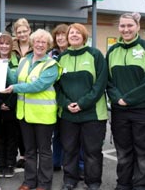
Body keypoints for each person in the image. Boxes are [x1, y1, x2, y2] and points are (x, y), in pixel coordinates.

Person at [106, 12, 145, 190]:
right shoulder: (113, 51)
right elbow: (107, 80)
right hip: (120, 111)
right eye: (122, 26)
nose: (126, 29)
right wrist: (117, 98)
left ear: (137, 26)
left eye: (130, 25)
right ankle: (123, 184)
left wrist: (128, 99)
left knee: (143, 153)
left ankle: (141, 186)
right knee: (123, 152)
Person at [3, 28, 61, 190]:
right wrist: (1, 69)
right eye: (37, 41)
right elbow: (15, 78)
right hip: (25, 114)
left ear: (48, 45)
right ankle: (29, 181)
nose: (40, 45)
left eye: (44, 42)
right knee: (29, 151)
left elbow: (38, 85)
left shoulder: (52, 65)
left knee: (44, 152)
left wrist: (14, 88)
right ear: (32, 43)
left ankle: (44, 183)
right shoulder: (24, 61)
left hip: (43, 115)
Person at [55, 23, 108, 190]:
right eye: (71, 33)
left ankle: (93, 182)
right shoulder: (62, 58)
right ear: (67, 37)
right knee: (69, 149)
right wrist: (65, 103)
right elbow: (57, 87)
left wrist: (83, 103)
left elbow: (100, 84)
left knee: (92, 152)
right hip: (68, 114)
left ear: (84, 36)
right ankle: (70, 180)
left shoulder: (95, 55)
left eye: (78, 32)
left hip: (92, 115)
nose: (74, 35)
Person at [0, 33, 19, 178]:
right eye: (1, 43)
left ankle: (10, 165)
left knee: (12, 138)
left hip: (12, 106)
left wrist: (9, 103)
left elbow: (20, 84)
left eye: (7, 43)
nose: (4, 46)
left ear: (11, 46)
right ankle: (0, 165)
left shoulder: (18, 61)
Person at [12, 18, 33, 169]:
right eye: (19, 32)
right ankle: (22, 155)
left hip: (31, 91)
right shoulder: (11, 47)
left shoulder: (36, 44)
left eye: (25, 31)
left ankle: (31, 155)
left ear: (29, 31)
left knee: (30, 126)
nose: (22, 34)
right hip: (14, 91)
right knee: (17, 127)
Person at [48, 23, 69, 172]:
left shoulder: (74, 53)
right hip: (53, 99)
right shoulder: (51, 54)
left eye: (63, 34)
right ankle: (56, 162)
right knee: (57, 134)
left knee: (70, 135)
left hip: (69, 99)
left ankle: (71, 164)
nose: (60, 37)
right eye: (58, 35)